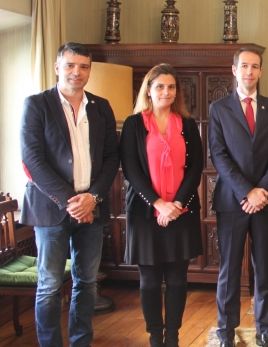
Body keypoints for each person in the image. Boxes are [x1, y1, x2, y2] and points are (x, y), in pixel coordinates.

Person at [20, 42, 120, 347]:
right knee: (50, 286)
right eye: (70, 65)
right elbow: (32, 160)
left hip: (91, 207)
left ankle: (81, 341)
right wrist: (70, 201)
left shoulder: (101, 106)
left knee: (86, 282)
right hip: (51, 211)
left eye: (84, 66)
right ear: (57, 67)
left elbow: (110, 158)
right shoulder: (36, 104)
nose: (77, 72)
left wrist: (93, 198)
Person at [209, 47, 268, 347]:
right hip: (233, 201)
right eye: (244, 66)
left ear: (261, 71)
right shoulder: (219, 109)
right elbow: (218, 154)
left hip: (266, 202)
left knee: (263, 267)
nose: (249, 72)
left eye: (255, 67)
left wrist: (263, 191)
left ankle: (264, 329)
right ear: (234, 70)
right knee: (229, 269)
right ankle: (226, 332)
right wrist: (247, 191)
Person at [120, 64, 204, 347]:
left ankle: (173, 337)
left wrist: (176, 204)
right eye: (159, 86)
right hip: (145, 213)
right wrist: (159, 204)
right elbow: (131, 169)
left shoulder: (188, 124)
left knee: (179, 279)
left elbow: (196, 167)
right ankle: (156, 336)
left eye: (171, 87)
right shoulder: (133, 124)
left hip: (182, 211)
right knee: (150, 281)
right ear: (148, 89)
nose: (166, 92)